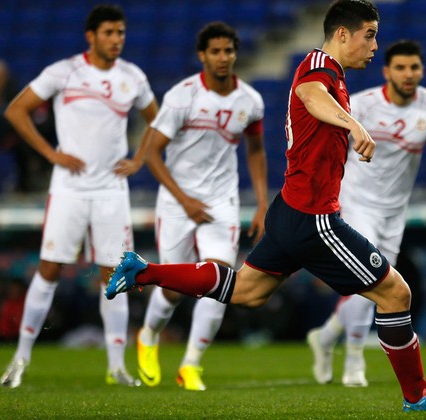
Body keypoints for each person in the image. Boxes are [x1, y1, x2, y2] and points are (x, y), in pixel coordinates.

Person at [105, 0, 426, 412]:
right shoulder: (319, 68)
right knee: (395, 293)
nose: (374, 44)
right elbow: (309, 95)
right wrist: (353, 125)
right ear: (343, 34)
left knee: (246, 291)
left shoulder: (335, 73)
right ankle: (418, 395)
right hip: (315, 221)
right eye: (369, 34)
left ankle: (143, 270)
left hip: (290, 210)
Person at [0, 4, 158, 388]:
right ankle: (20, 359)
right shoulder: (64, 71)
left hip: (110, 191)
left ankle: (117, 366)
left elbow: (159, 119)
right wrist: (51, 153)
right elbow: (16, 110)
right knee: (50, 269)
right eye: (109, 33)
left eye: (120, 33)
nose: (116, 39)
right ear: (91, 36)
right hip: (69, 188)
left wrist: (139, 159)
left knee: (115, 274)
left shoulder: (132, 76)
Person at [306, 40, 426, 388]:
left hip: (394, 212)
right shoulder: (362, 105)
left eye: (414, 68)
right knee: (369, 283)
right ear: (387, 71)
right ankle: (355, 360)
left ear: (421, 70)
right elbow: (327, 144)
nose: (408, 74)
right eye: (401, 68)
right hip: (356, 203)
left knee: (381, 286)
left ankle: (327, 336)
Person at [136, 21, 268, 391]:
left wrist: (260, 203)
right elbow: (151, 153)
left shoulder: (250, 101)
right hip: (178, 202)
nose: (223, 57)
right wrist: (184, 200)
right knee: (175, 289)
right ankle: (148, 335)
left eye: (229, 50)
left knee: (221, 278)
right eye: (216, 51)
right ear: (202, 55)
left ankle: (190, 364)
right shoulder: (183, 96)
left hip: (221, 201)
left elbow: (256, 152)